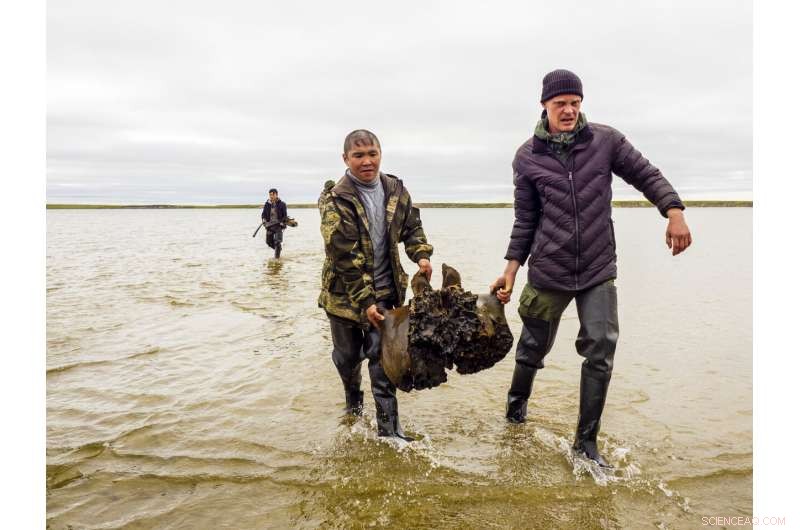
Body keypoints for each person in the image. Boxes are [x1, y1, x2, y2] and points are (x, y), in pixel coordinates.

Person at [491, 69, 692, 467]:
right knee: (532, 348)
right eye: (560, 103)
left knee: (601, 349)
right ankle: (515, 413)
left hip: (598, 267)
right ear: (544, 106)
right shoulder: (527, 157)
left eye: (575, 103)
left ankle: (585, 443)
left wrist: (674, 210)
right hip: (549, 269)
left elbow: (646, 174)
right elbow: (525, 220)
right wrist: (512, 270)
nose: (568, 110)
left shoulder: (605, 141)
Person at [318, 129, 433, 439]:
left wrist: (421, 255)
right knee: (347, 359)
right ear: (346, 159)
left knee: (383, 363)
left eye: (372, 154)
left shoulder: (395, 189)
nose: (366, 161)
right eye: (358, 156)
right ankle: (353, 406)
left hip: (386, 293)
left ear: (380, 154)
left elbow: (412, 228)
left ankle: (390, 433)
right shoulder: (334, 198)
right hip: (344, 297)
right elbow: (343, 255)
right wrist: (365, 301)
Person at [261, 188, 288, 258]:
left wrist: (282, 222)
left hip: (278, 225)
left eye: (272, 195)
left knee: (277, 242)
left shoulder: (282, 204)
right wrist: (263, 219)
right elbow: (263, 214)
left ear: (276, 195)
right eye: (270, 195)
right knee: (269, 242)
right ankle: (279, 249)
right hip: (269, 226)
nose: (271, 196)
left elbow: (285, 216)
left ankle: (277, 259)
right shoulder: (267, 204)